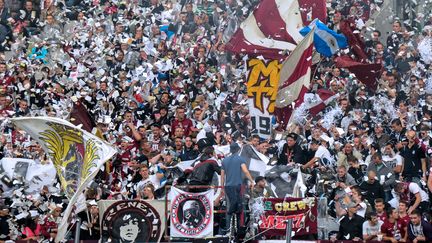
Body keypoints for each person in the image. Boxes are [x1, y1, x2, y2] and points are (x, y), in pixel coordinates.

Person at [220, 142, 254, 235]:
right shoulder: (240, 159)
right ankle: (239, 230)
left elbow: (222, 176)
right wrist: (252, 181)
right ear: (238, 150)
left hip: (228, 186)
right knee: (239, 208)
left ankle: (228, 230)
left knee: (229, 206)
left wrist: (222, 187)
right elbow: (245, 171)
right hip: (238, 186)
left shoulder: (224, 160)